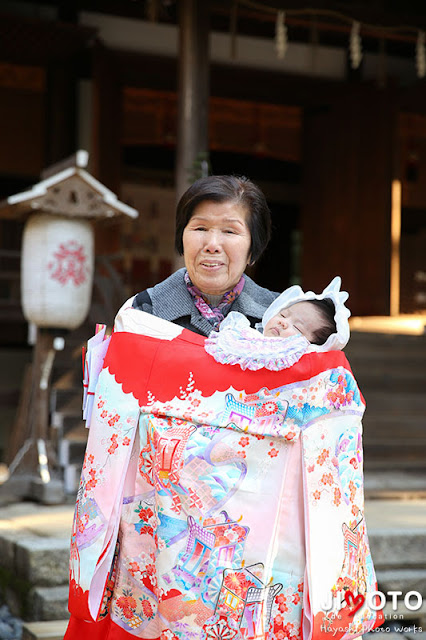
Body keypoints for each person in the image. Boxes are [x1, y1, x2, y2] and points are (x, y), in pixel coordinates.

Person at [64, 276, 385, 640]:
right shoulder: (230, 336)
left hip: (257, 500)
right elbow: (191, 362)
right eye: (286, 315)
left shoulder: (315, 373)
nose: (284, 324)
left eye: (298, 327)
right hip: (187, 486)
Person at [124, 174, 278, 336]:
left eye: (229, 231)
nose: (212, 245)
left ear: (253, 248)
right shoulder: (143, 311)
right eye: (200, 228)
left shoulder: (282, 315)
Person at [205, 276, 350, 371]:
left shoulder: (301, 366)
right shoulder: (247, 337)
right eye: (283, 314)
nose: (283, 322)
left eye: (297, 327)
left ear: (312, 345)